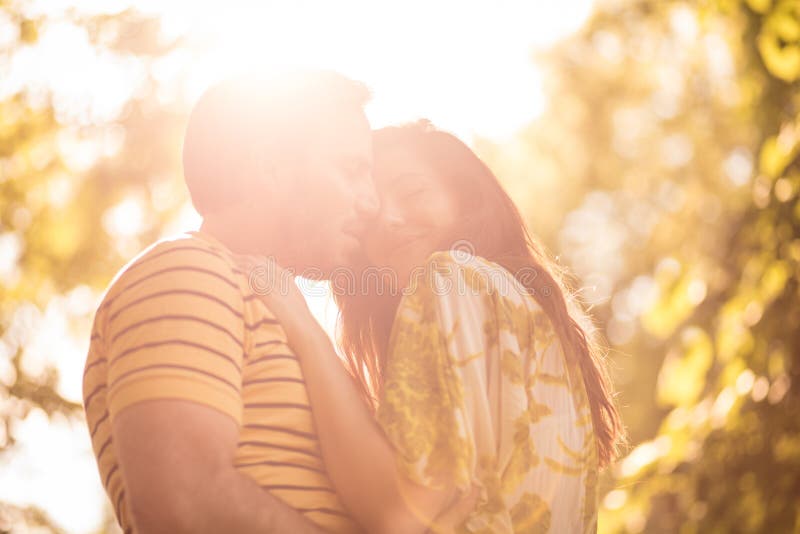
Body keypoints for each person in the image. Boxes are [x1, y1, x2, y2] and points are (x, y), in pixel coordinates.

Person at [254, 121, 626, 533]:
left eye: (413, 193)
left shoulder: (449, 277)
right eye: (374, 212)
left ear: (465, 199)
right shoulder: (526, 313)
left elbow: (396, 516)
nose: (390, 220)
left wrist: (307, 333)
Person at [82, 70, 379, 533]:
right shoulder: (186, 272)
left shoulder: (281, 313)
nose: (372, 202)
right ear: (270, 169)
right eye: (352, 170)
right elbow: (182, 502)